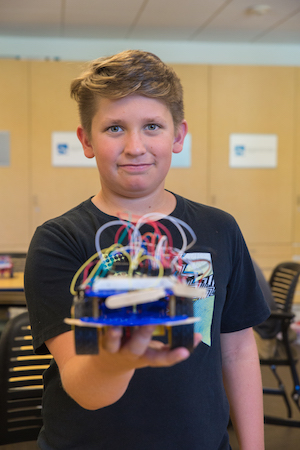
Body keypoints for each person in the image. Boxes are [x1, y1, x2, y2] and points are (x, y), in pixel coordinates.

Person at [24, 50, 270, 450]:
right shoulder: (59, 240)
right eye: (115, 128)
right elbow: (82, 386)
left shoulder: (219, 229)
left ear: (178, 136)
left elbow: (238, 351)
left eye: (152, 126)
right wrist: (120, 357)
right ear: (86, 140)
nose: (135, 146)